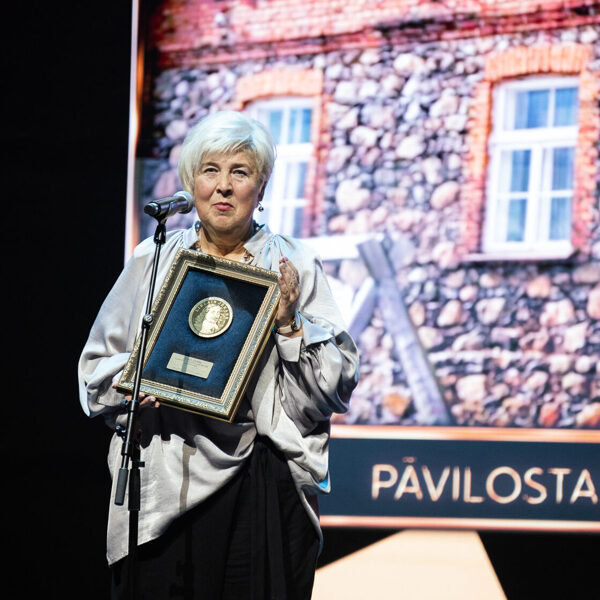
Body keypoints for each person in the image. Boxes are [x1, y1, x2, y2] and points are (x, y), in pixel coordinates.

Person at [78, 110, 359, 599]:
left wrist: (290, 323)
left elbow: (329, 392)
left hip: (260, 484)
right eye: (211, 170)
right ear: (192, 182)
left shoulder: (293, 264)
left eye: (240, 172)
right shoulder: (154, 259)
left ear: (261, 187)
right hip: (165, 482)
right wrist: (134, 385)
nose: (224, 186)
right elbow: (96, 369)